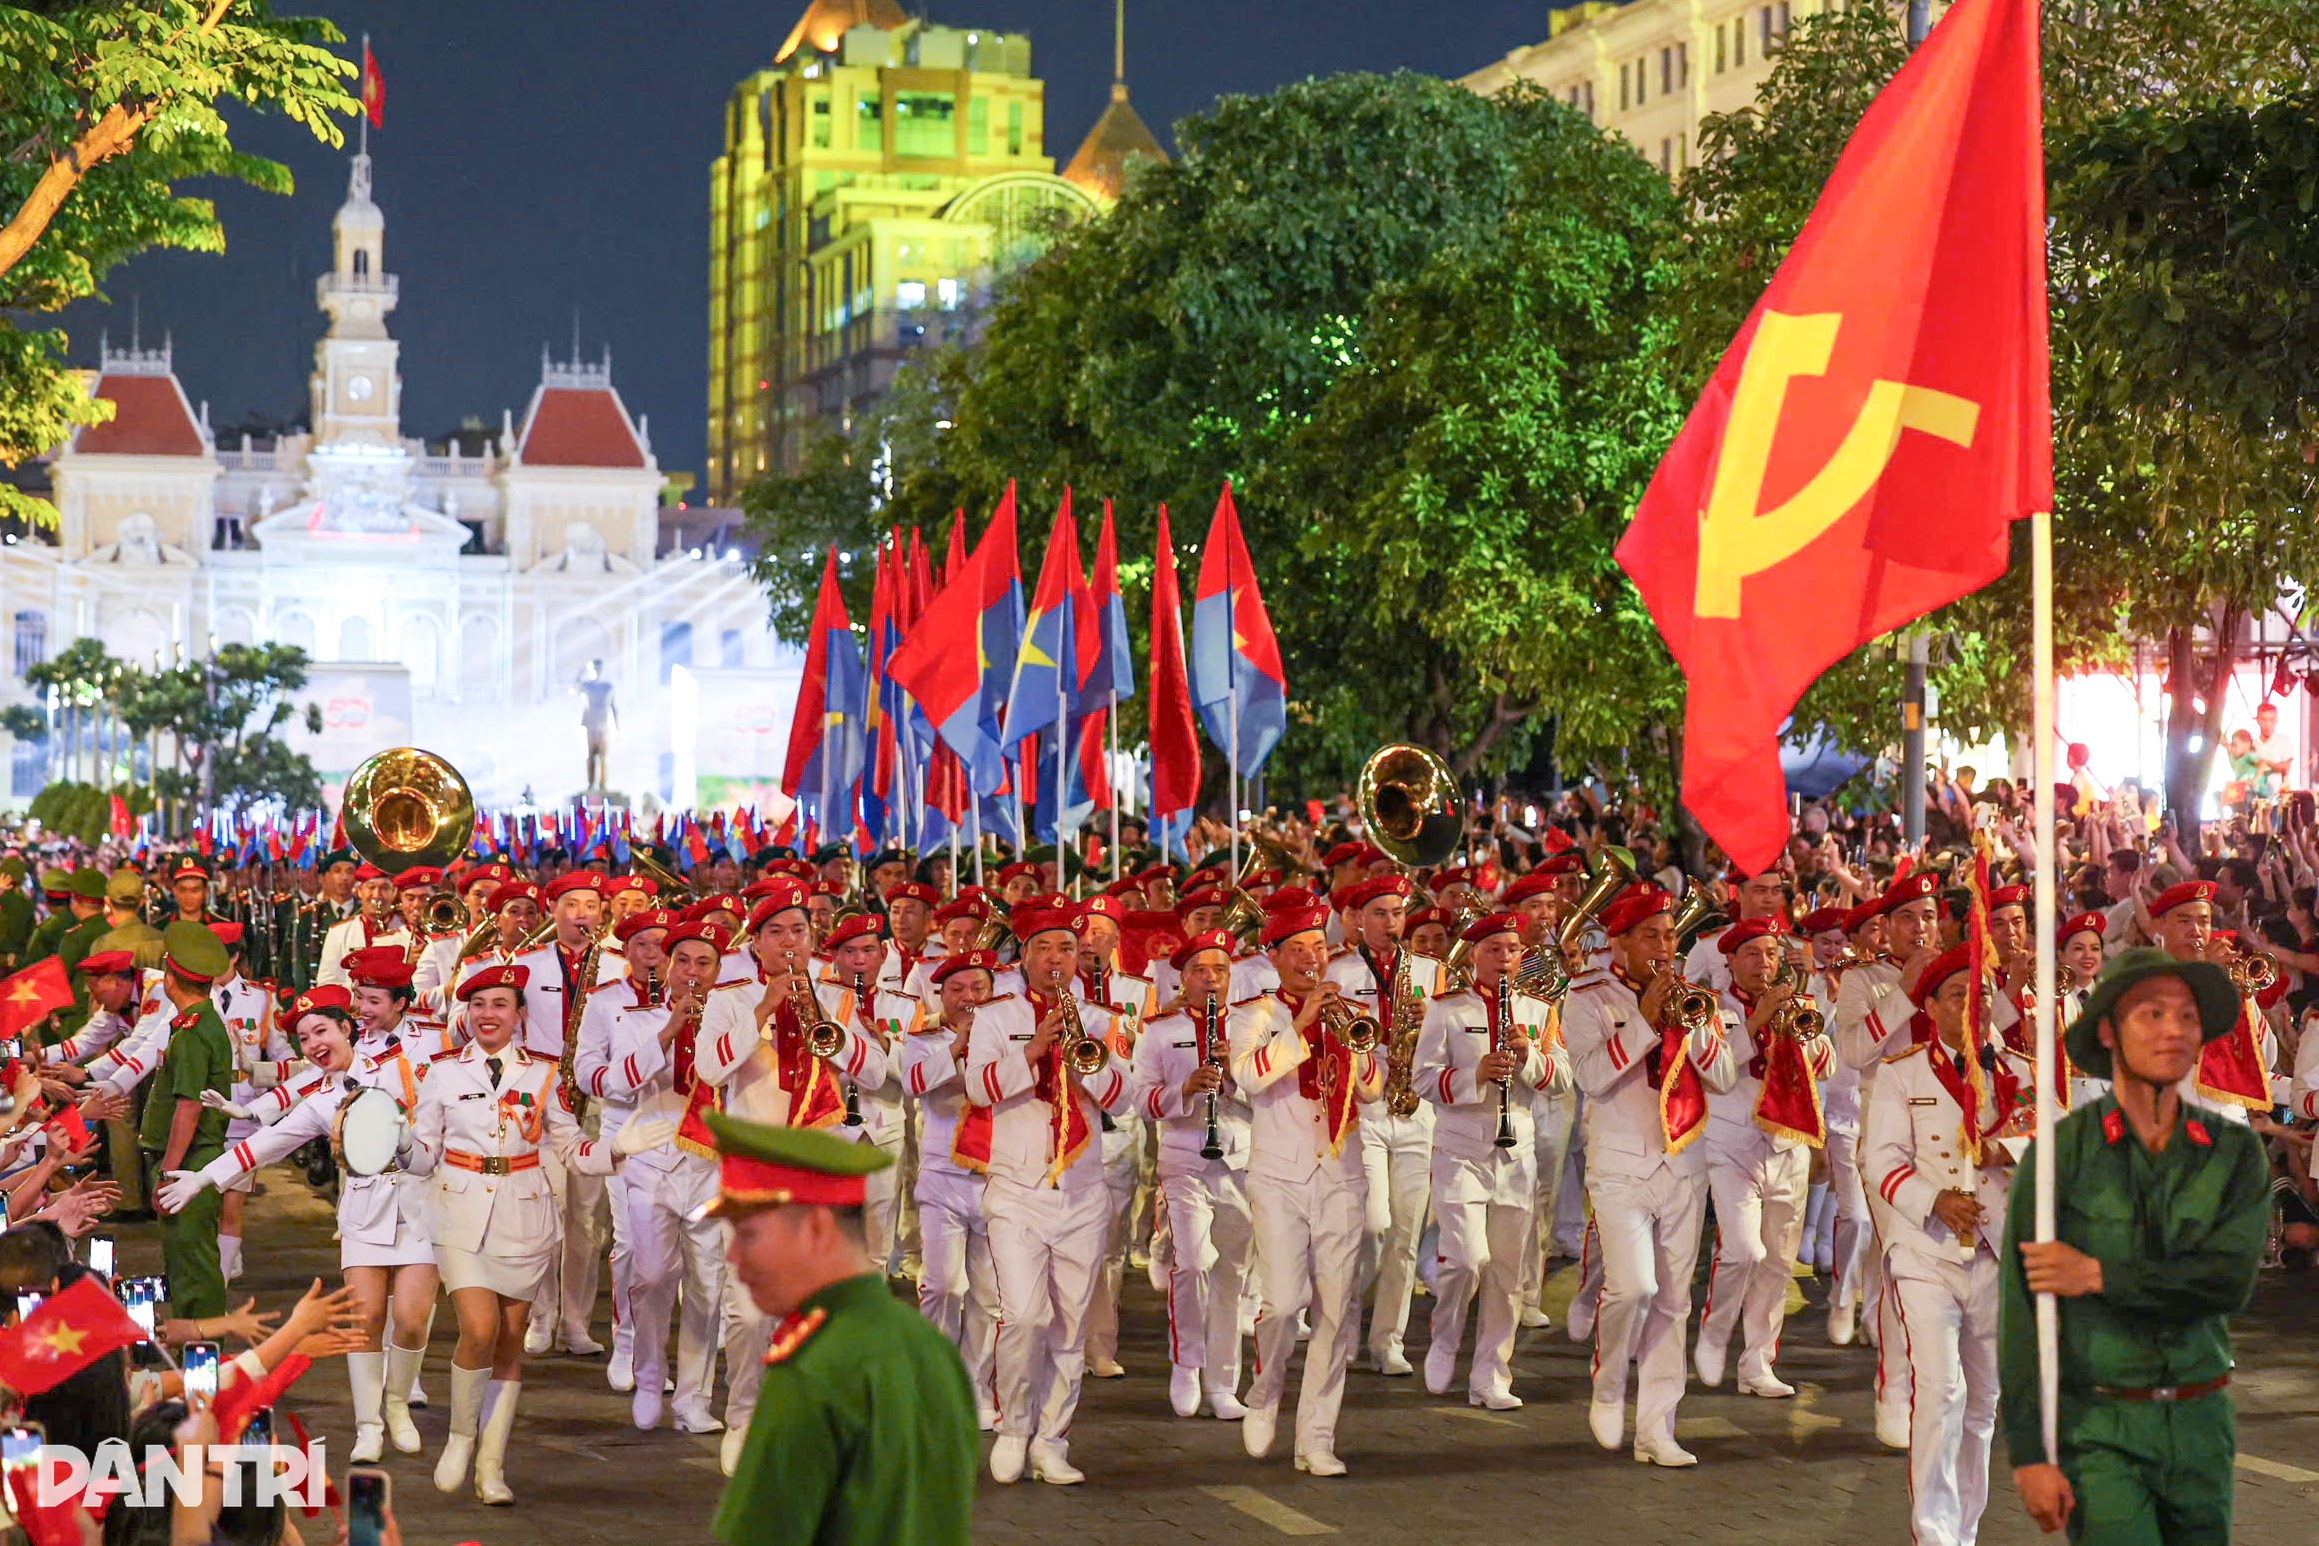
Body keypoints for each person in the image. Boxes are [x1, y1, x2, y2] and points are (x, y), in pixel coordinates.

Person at [2001, 950, 2270, 1544]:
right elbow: (2022, 1312)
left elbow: (2228, 1283)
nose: (2174, 1030)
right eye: (2152, 1013)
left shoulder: (2232, 1152)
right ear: (2107, 1031)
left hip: (2201, 1421)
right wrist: (2029, 1453)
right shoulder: (2061, 1154)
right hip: (2101, 1427)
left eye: (2188, 1016)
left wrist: (2099, 1275)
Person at [402, 964, 666, 1504]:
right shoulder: (443, 1072)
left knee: (508, 1339)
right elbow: (425, 1153)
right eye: (478, 1005)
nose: (488, 1015)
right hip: (458, 1212)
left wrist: (617, 1149)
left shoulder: (544, 1073)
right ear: (466, 1014)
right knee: (478, 1328)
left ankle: (491, 1467)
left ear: (520, 1014)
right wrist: (397, 1145)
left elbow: (570, 1148)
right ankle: (460, 1439)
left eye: (500, 1004)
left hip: (524, 1216)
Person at [156, 983, 442, 1464]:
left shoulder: (400, 1066)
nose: (313, 1044)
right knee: (366, 1320)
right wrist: (204, 1178)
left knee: (412, 1322)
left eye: (321, 1031)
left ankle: (397, 1405)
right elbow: (264, 1145)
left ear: (347, 1029)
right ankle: (369, 1426)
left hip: (420, 1207)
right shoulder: (317, 1100)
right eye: (304, 1038)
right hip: (364, 1214)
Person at [705, 1112, 978, 1546]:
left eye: (749, 1234)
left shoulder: (811, 1369)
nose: (734, 1256)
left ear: (816, 1228)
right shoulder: (932, 1348)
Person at [1862, 945, 2034, 1546]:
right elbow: (1881, 1160)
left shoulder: (2020, 1070)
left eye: (1981, 994)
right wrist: (1933, 1199)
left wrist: (2004, 1149)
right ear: (1931, 1007)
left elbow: (2052, 1138)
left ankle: (1965, 1531)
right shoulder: (1901, 1073)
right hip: (1925, 1250)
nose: (1972, 1005)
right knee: (1940, 1391)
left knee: (1983, 1404)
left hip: (1996, 1252)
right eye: (1958, 995)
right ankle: (1934, 1534)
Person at [1561, 884, 1738, 1465]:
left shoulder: (1694, 997)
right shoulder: (1586, 997)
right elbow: (1591, 1077)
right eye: (1651, 936)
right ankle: (1609, 1383)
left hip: (1684, 1162)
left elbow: (1724, 1077)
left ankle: (1657, 1429)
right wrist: (1642, 1021)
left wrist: (1693, 1026)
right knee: (1633, 1287)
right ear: (1619, 943)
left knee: (1674, 1301)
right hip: (1620, 1164)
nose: (1664, 947)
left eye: (1670, 936)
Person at [961, 901, 1133, 1486]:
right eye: (1043, 948)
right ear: (1025, 956)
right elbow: (978, 1089)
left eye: (1066, 948)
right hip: (1016, 1188)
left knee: (1070, 1325)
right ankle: (1014, 1426)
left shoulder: (1103, 1018)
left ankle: (1052, 1440)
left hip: (1082, 1189)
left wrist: (1091, 1067)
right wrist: (1032, 1049)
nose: (1055, 959)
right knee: (1025, 1316)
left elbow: (1126, 1098)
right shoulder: (995, 1015)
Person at [1229, 902, 1383, 1477]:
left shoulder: (1353, 1011)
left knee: (1336, 1310)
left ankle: (1316, 1438)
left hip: (1342, 1172)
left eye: (1318, 947)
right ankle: (1265, 1389)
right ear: (1273, 958)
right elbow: (1247, 1077)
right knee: (1283, 1304)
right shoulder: (1254, 1014)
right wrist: (1299, 1027)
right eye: (1296, 949)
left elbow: (1373, 1090)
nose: (1310, 958)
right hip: (1278, 1176)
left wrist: (1357, 1043)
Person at [1414, 911, 1572, 1409]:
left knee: (1506, 1272)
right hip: (1460, 1149)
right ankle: (1445, 1337)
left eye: (1512, 949)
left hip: (1516, 1153)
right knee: (1466, 1260)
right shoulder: (1446, 1009)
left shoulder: (1539, 1011)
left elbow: (1562, 1079)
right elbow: (1422, 1079)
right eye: (1494, 950)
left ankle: (1491, 1375)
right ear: (1474, 956)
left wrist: (1529, 1057)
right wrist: (1475, 1074)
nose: (1505, 958)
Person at [579, 916, 730, 1433]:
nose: (691, 971)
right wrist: (668, 1033)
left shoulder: (734, 1012)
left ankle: (694, 1399)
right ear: (666, 964)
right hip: (645, 1155)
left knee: (707, 1283)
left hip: (711, 1161)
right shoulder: (623, 1009)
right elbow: (596, 1079)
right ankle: (647, 1374)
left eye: (703, 963)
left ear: (718, 969)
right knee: (652, 1275)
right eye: (681, 960)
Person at [1696, 918, 1834, 1399]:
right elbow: (1715, 1072)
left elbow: (1828, 1065)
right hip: (1732, 1144)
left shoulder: (1801, 1003)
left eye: (1772, 954)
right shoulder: (1712, 1008)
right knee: (1743, 1251)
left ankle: (1757, 1362)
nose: (1764, 963)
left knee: (1777, 1261)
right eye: (1753, 954)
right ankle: (1714, 1334)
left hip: (1787, 1145)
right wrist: (1756, 1022)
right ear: (1730, 960)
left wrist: (1800, 1033)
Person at [1129, 928, 1253, 1420]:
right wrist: (1184, 1089)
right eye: (1200, 970)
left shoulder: (1251, 1025)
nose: (1210, 979)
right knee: (1195, 1262)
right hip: (1184, 1159)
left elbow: (1273, 1094)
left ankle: (1223, 1382)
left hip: (1241, 1159)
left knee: (1231, 1273)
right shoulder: (1160, 1031)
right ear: (1183, 978)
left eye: (1219, 970)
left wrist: (1235, 1077)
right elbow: (1141, 1100)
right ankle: (1186, 1363)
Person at [1324, 874, 1436, 1375]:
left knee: (1405, 1236)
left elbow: (1450, 1039)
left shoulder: (1431, 972)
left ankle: (1388, 1339)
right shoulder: (1339, 970)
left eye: (1397, 913)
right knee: (1370, 1226)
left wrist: (1430, 1018)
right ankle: (1344, 1321)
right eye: (1379, 914)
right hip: (1364, 1105)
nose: (1391, 923)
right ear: (1358, 919)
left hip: (1416, 1107)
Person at [902, 948, 1003, 1428]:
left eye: (978, 988)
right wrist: (958, 1046)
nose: (968, 998)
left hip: (997, 1176)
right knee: (944, 1285)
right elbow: (914, 1084)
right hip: (943, 1176)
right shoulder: (923, 1039)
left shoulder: (1009, 1036)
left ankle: (976, 1386)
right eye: (957, 989)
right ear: (940, 995)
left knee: (989, 1296)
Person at [139, 921, 239, 1317]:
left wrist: (168, 1172)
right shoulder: (196, 1023)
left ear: (170, 978)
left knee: (194, 1266)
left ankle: (203, 1343)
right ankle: (193, 1338)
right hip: (191, 1159)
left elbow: (189, 1108)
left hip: (189, 1160)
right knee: (184, 1261)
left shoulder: (195, 1031)